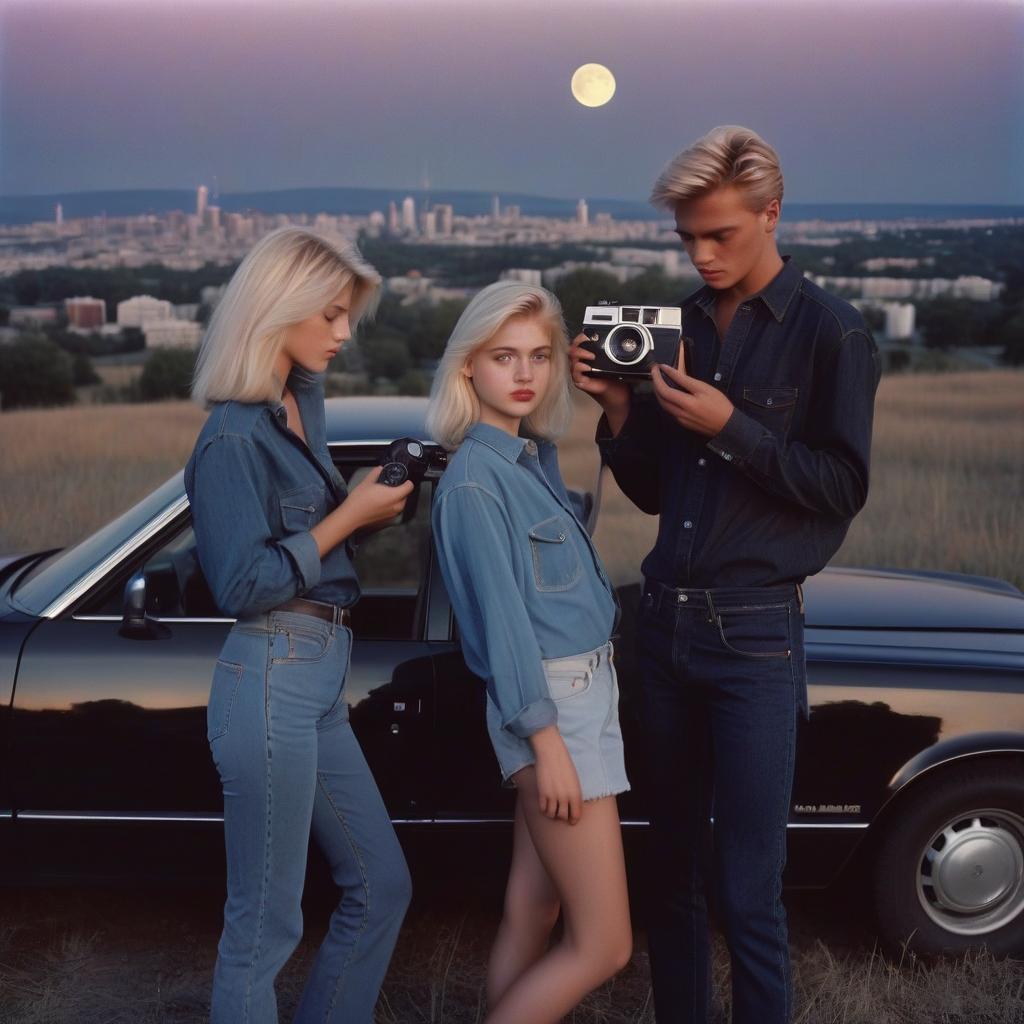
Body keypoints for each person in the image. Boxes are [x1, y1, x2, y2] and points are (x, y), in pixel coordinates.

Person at [570, 126, 881, 1024]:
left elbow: (839, 488)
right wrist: (620, 409)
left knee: (748, 891)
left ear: (771, 213)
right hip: (661, 630)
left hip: (753, 639)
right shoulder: (681, 326)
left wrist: (731, 426)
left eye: (722, 235)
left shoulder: (833, 334)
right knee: (668, 876)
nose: (702, 256)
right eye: (688, 239)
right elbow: (655, 493)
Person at [184, 227, 414, 1024]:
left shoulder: (300, 402)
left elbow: (314, 537)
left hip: (318, 672)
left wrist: (363, 509)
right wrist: (349, 513)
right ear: (278, 309)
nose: (345, 333)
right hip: (270, 667)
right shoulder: (230, 438)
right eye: (334, 314)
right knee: (264, 923)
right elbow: (242, 581)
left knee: (381, 884)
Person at [427, 281, 633, 1023]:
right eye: (503, 356)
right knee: (604, 945)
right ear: (468, 369)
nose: (525, 373)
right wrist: (547, 744)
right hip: (555, 710)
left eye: (540, 355)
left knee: (533, 908)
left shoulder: (529, 460)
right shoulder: (476, 484)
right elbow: (504, 630)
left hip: (577, 697)